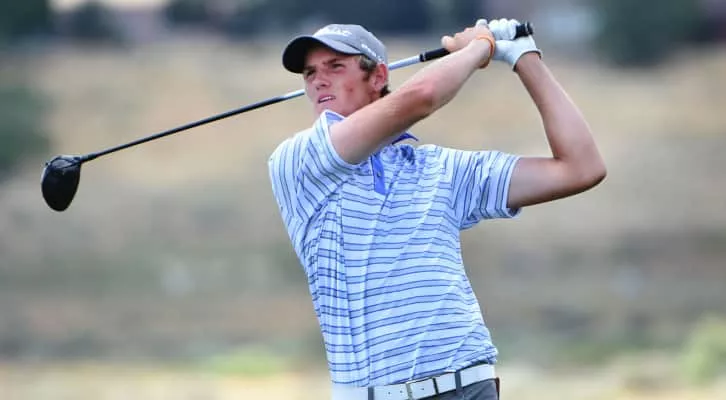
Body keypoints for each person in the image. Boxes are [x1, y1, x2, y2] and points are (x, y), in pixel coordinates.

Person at [268, 18, 606, 400]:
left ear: (378, 76)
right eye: (310, 72)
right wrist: (480, 46)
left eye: (335, 66)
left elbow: (581, 168)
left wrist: (523, 56)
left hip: (468, 385)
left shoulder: (438, 168)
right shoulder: (299, 160)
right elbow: (423, 96)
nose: (318, 81)